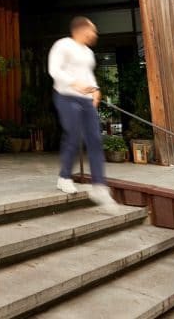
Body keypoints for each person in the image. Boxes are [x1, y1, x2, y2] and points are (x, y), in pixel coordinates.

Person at [48, 16, 118, 210]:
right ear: (81, 30)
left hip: (86, 100)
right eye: (92, 30)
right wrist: (73, 82)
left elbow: (88, 75)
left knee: (95, 139)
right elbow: (54, 70)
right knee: (74, 135)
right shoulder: (62, 45)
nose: (95, 34)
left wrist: (95, 90)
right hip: (66, 96)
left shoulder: (88, 53)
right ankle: (64, 177)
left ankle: (99, 186)